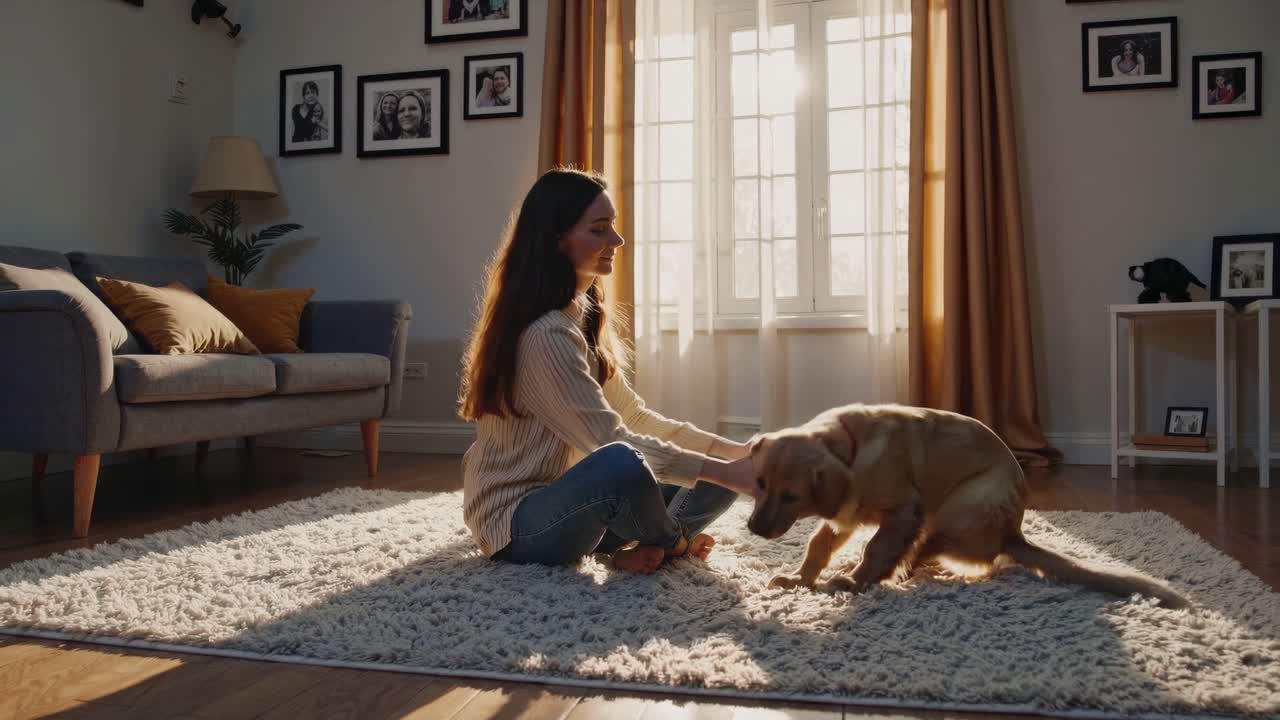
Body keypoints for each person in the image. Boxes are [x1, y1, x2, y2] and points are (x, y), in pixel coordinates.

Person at [458, 168, 757, 574]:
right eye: (599, 229)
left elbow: (635, 417)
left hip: (584, 504)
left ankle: (640, 546)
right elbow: (608, 442)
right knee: (623, 463)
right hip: (518, 526)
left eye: (612, 227)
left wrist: (739, 456)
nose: (616, 240)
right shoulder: (545, 335)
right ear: (556, 240)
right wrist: (730, 471)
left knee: (712, 470)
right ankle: (675, 541)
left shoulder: (583, 316)